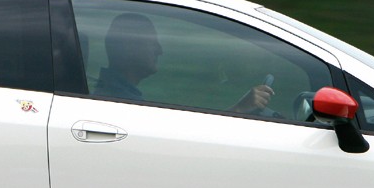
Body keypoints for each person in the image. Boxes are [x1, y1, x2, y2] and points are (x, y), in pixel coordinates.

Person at [92, 12, 274, 114]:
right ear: (130, 47)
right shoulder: (121, 103)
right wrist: (240, 108)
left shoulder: (115, 95)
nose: (160, 50)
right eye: (152, 42)